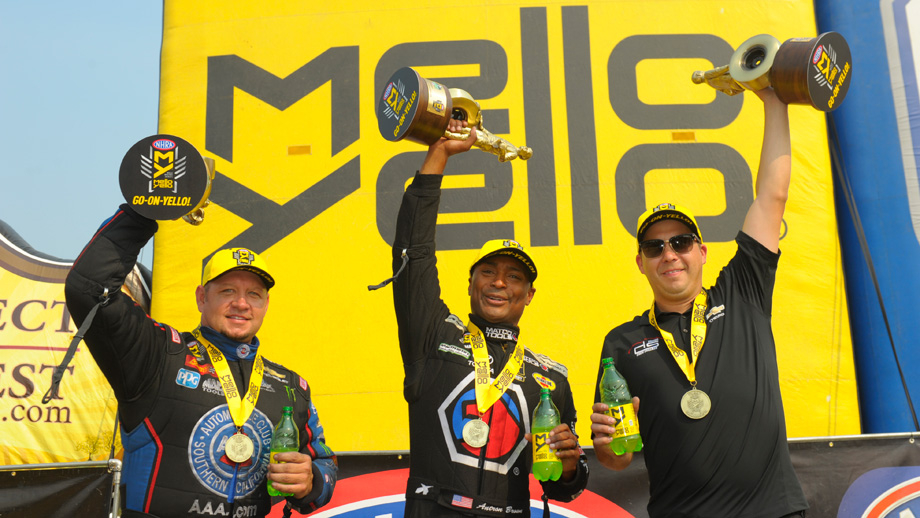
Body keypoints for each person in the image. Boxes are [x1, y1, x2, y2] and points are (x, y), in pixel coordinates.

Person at [590, 87, 809, 518]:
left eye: (681, 241)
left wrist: (774, 103)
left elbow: (772, 197)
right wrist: (606, 448)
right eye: (654, 247)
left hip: (773, 511)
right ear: (641, 263)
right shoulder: (622, 343)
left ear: (702, 251)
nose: (669, 253)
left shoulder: (742, 290)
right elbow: (616, 459)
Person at [64, 205, 337, 518]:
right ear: (201, 297)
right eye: (227, 291)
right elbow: (88, 288)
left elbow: (325, 462)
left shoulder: (291, 387)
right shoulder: (158, 353)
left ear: (266, 304)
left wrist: (310, 482)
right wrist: (142, 213)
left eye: (254, 294)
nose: (241, 303)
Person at [382, 119, 589, 517]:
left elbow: (565, 489)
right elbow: (413, 253)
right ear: (471, 283)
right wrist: (437, 155)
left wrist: (566, 468)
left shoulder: (551, 380)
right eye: (488, 272)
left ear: (528, 296)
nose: (498, 283)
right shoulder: (433, 335)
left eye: (514, 277)